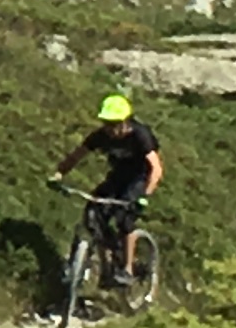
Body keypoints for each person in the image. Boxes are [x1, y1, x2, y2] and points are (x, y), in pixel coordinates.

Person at [54, 91, 164, 285]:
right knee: (94, 214)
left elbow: (156, 168)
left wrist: (144, 197)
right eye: (106, 123)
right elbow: (76, 156)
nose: (110, 129)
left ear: (126, 121)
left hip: (140, 177)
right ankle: (103, 268)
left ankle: (128, 270)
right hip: (118, 176)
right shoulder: (100, 136)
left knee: (124, 220)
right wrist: (59, 174)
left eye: (114, 124)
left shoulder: (140, 135)